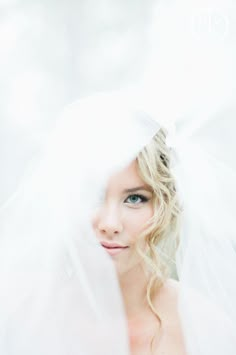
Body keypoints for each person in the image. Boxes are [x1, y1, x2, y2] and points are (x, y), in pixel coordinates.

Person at [92, 128, 186, 354]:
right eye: (93, 195)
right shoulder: (26, 313)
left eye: (135, 198)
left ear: (164, 205)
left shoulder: (201, 323)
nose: (110, 224)